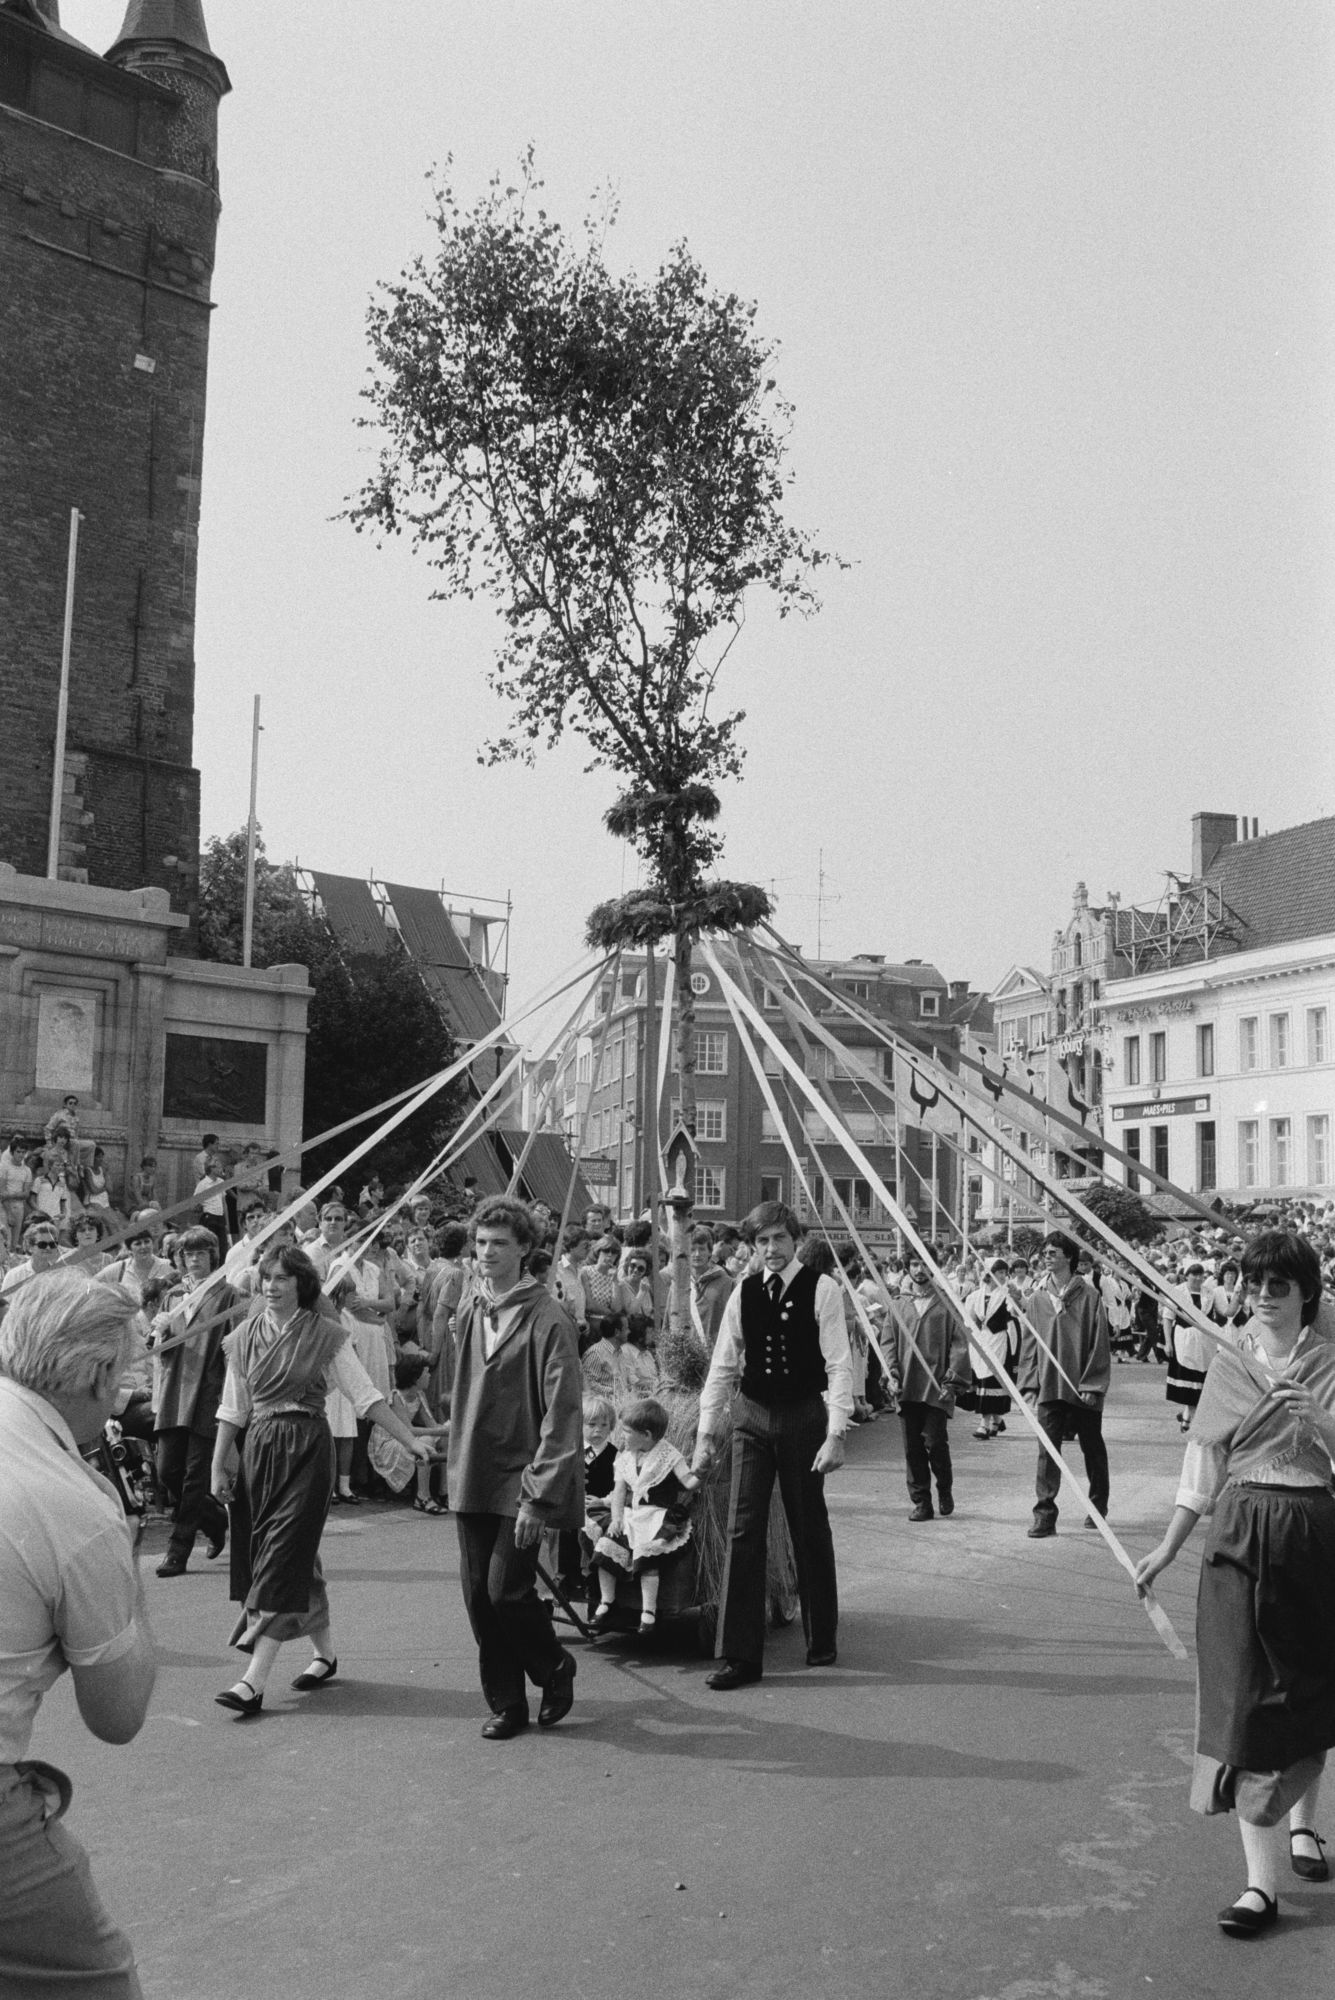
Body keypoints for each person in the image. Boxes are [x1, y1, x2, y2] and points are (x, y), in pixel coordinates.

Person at [1134, 1230, 1335, 1938]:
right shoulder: (1229, 1364)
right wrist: (1163, 1549)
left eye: (1276, 1288)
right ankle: (1259, 1885)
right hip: (1239, 1535)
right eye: (1251, 1288)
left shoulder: (1330, 1361)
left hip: (1314, 1535)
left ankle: (1302, 1826)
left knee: (1307, 1691)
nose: (1261, 1301)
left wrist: (1326, 1427)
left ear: (1305, 1291)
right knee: (1241, 1701)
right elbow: (1203, 1471)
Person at [0, 1266, 157, 1996]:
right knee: (93, 1983)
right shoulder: (73, 1504)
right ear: (96, 1375)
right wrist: (123, 1559)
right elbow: (118, 1716)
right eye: (124, 1372)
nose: (126, 1389)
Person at [209, 1246, 435, 1714]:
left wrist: (410, 1440)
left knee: (281, 1558)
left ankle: (253, 1680)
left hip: (308, 1448)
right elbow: (234, 1407)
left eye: (282, 1278)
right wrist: (219, 1462)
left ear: (303, 1285)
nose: (270, 1286)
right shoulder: (244, 1336)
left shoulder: (325, 1335)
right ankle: (325, 1654)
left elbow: (366, 1397)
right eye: (266, 1277)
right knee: (290, 1556)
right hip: (260, 1447)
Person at [692, 1200, 852, 1687]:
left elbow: (839, 1364)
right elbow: (722, 1366)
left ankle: (820, 1634)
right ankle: (740, 1656)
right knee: (743, 1531)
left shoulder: (823, 1290)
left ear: (795, 1238)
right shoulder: (743, 1293)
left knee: (808, 1527)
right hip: (752, 1418)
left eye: (778, 1238)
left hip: (803, 1417)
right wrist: (704, 1433)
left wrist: (836, 1434)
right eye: (761, 1241)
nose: (770, 1249)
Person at [446, 1198, 584, 1740]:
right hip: (473, 1468)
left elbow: (565, 1410)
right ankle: (506, 1701)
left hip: (523, 1475)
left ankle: (554, 1666)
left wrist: (540, 1494)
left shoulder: (548, 1317)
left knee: (507, 1589)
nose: (486, 1254)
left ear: (525, 1249)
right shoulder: (471, 1308)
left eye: (499, 1244)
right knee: (479, 1595)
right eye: (480, 1243)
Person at [151, 1227, 239, 1577]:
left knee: (193, 1477)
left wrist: (229, 1393)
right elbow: (159, 1345)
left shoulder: (228, 1293)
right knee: (167, 1471)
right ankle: (214, 1518)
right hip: (174, 1390)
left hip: (208, 1390)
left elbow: (234, 1346)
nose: (194, 1259)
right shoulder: (172, 1295)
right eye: (188, 1254)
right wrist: (158, 1333)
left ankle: (179, 1549)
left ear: (213, 1256)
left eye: (201, 1253)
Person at [1019, 1231, 1112, 1538]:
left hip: (1082, 1386)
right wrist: (1030, 1383)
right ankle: (1044, 1514)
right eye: (1045, 1252)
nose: (1048, 1257)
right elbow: (1030, 1342)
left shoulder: (1089, 1297)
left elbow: (1099, 1343)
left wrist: (1093, 1384)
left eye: (1054, 1252)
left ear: (1069, 1257)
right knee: (1047, 1451)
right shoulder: (1038, 1298)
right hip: (1048, 1385)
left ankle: (1098, 1505)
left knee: (1092, 1447)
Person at [591, 1397, 700, 1635]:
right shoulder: (625, 1456)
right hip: (632, 1515)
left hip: (657, 1517)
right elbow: (619, 1491)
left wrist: (702, 1471)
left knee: (647, 1558)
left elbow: (689, 1481)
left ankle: (648, 1612)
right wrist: (617, 1517)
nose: (622, 1437)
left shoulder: (669, 1456)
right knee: (605, 1547)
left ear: (647, 1435)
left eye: (628, 1432)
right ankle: (606, 1601)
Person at [886, 1257, 970, 1520]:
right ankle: (922, 1501)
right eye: (914, 1265)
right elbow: (888, 1341)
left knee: (935, 1443)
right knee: (912, 1448)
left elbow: (959, 1344)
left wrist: (952, 1381)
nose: (919, 1270)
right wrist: (891, 1374)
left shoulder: (946, 1303)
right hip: (907, 1385)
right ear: (907, 1268)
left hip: (936, 1386)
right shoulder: (898, 1303)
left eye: (925, 1264)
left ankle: (944, 1488)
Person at [966, 1256, 1020, 1440]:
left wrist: (1015, 1297)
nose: (1004, 1276)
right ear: (990, 1274)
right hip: (981, 1341)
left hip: (999, 1341)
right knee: (982, 1380)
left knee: (992, 1381)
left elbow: (1015, 1312)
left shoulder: (1007, 1294)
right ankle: (996, 1420)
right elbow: (971, 1319)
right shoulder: (976, 1295)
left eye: (1005, 1272)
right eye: (1000, 1272)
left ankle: (984, 1423)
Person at [0, 1136, 32, 1246]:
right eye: (18, 1152)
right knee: (5, 1243)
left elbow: (26, 1194)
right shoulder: (4, 1167)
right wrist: (9, 1214)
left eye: (23, 1152)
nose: (21, 1155)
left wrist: (10, 1195)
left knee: (14, 1243)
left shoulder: (27, 1170)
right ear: (13, 1152)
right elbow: (2, 1193)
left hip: (19, 1208)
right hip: (4, 1207)